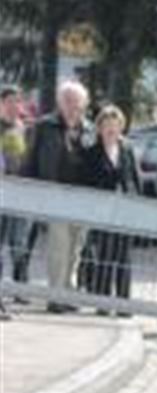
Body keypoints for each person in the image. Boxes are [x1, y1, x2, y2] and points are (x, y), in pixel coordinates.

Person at [23, 80, 95, 312]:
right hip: (54, 195)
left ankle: (68, 292)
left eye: (77, 101)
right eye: (68, 101)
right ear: (60, 102)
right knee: (58, 246)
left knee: (75, 248)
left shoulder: (89, 129)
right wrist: (30, 190)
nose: (72, 105)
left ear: (84, 104)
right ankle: (55, 296)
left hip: (81, 198)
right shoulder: (45, 126)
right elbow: (31, 159)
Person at [79, 105, 139, 311]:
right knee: (103, 257)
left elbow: (134, 180)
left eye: (115, 125)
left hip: (124, 212)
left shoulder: (128, 149)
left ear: (121, 127)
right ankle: (103, 304)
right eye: (107, 125)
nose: (111, 129)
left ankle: (123, 304)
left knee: (124, 259)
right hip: (101, 212)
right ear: (99, 128)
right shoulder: (91, 152)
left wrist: (135, 203)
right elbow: (86, 183)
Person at [0, 86, 31, 291]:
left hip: (20, 194)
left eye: (17, 101)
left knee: (20, 244)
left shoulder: (24, 129)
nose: (13, 106)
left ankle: (21, 289)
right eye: (9, 101)